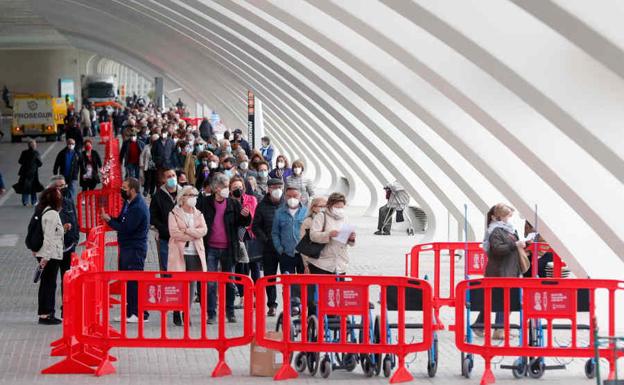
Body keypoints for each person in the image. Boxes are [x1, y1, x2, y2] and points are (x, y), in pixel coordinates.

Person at [199, 173, 251, 324]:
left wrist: (246, 216)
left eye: (227, 187)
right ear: (216, 188)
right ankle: (211, 313)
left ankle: (230, 311)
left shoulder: (233, 204)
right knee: (210, 282)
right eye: (224, 187)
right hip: (211, 248)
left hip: (229, 248)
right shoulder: (205, 203)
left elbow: (242, 222)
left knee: (230, 281)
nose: (226, 190)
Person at [472, 203, 525, 340]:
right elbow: (497, 249)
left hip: (508, 270)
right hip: (500, 271)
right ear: (500, 217)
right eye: (508, 216)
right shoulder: (495, 231)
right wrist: (515, 245)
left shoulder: (507, 229)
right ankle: (499, 330)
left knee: (494, 300)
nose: (510, 218)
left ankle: (480, 325)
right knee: (503, 301)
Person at [101, 178, 150, 323]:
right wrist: (111, 218)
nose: (122, 190)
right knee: (128, 281)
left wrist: (109, 221)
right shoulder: (128, 203)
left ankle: (138, 313)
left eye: (124, 188)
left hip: (134, 249)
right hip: (127, 247)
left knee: (134, 281)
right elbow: (122, 220)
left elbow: (126, 228)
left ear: (132, 190)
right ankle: (130, 312)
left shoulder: (138, 207)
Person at [167, 185, 208, 326]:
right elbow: (174, 233)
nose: (193, 199)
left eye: (195, 196)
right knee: (179, 284)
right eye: (190, 195)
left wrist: (187, 231)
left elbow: (203, 230)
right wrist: (193, 234)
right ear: (183, 197)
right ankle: (177, 311)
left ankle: (187, 312)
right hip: (180, 253)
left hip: (195, 254)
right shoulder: (174, 213)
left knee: (192, 285)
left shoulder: (199, 213)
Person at [251, 178, 284, 316]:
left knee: (287, 277)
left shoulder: (287, 204)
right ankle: (272, 304)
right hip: (268, 248)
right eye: (274, 187)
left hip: (285, 248)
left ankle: (292, 304)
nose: (277, 189)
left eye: (279, 187)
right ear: (268, 189)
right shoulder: (262, 205)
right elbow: (255, 226)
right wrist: (265, 239)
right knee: (270, 277)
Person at [33, 187, 66, 325]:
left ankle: (44, 313)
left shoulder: (43, 209)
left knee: (46, 284)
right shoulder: (52, 214)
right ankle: (47, 314)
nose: (61, 197)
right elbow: (49, 238)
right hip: (50, 255)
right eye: (58, 195)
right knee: (49, 284)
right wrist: (46, 258)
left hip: (45, 254)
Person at [229, 176, 259, 309]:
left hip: (249, 236)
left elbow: (252, 216)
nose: (238, 190)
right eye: (235, 188)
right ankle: (242, 296)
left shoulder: (251, 199)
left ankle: (255, 296)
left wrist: (245, 215)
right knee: (240, 269)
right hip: (234, 238)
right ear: (230, 189)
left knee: (253, 267)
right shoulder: (228, 202)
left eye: (240, 188)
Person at [309, 192, 356, 275]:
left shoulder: (345, 218)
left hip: (340, 263)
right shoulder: (321, 216)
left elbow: (349, 241)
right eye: (337, 207)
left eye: (341, 207)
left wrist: (351, 238)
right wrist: (328, 234)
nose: (339, 209)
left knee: (338, 287)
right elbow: (313, 235)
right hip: (321, 263)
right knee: (320, 287)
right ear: (330, 205)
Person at [49, 176, 79, 300]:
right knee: (50, 280)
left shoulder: (68, 202)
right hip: (54, 249)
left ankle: (66, 307)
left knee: (67, 279)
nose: (63, 188)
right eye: (60, 186)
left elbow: (75, 221)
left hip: (69, 247)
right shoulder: (48, 205)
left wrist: (76, 239)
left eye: (64, 185)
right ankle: (48, 311)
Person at [150, 168, 179, 271]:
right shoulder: (157, 196)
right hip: (165, 238)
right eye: (169, 176)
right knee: (166, 268)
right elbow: (153, 218)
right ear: (163, 179)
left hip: (182, 238)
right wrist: (165, 230)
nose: (172, 178)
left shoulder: (184, 194)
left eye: (173, 175)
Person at [14, 140, 44, 206]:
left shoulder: (24, 152)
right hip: (33, 173)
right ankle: (34, 201)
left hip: (24, 172)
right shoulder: (36, 153)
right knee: (33, 187)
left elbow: (20, 161)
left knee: (25, 187)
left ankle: (25, 201)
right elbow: (40, 163)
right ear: (34, 146)